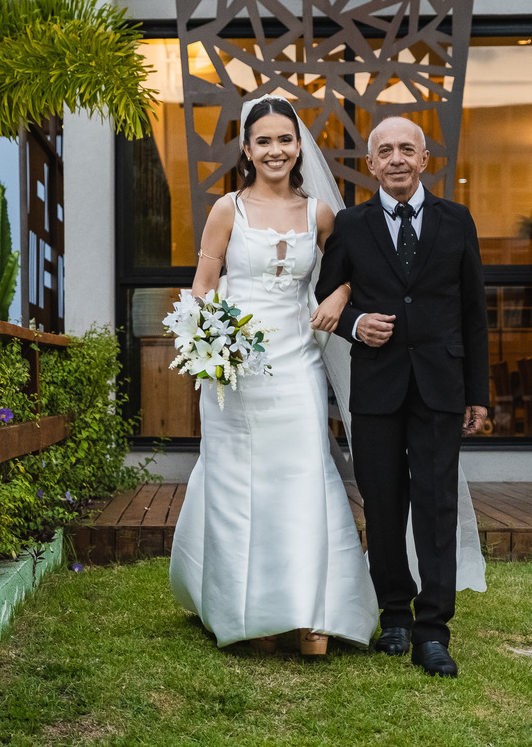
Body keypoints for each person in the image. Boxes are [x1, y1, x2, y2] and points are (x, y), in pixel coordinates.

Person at [168, 95, 379, 655]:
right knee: (238, 483)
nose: (275, 150)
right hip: (234, 369)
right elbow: (203, 288)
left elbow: (352, 272)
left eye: (284, 139)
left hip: (297, 361)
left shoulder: (319, 214)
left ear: (298, 145)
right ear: (246, 149)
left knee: (304, 476)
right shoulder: (226, 211)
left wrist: (337, 297)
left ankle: (312, 613)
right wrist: (208, 345)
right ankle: (245, 610)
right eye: (263, 141)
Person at [313, 116, 490, 678]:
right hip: (377, 388)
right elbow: (327, 296)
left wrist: (477, 394)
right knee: (383, 503)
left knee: (437, 508)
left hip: (441, 386)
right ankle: (394, 615)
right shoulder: (351, 225)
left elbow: (474, 313)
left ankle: (433, 631)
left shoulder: (456, 221)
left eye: (405, 150)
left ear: (423, 161)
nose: (395, 159)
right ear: (370, 165)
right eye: (383, 150)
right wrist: (358, 322)